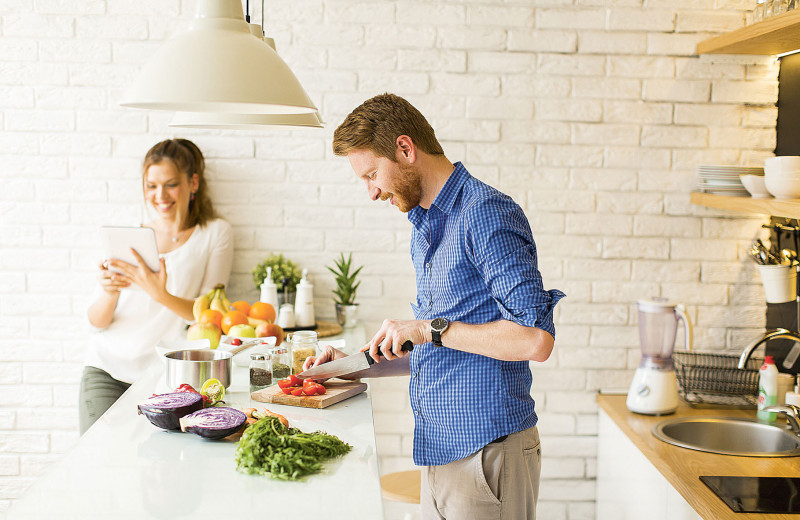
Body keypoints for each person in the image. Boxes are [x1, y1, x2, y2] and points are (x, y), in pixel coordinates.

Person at [305, 93, 564, 519]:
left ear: (405, 149)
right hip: (442, 452)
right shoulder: (425, 226)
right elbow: (444, 347)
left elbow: (535, 340)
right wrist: (352, 364)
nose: (371, 192)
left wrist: (429, 328)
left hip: (487, 452)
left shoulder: (486, 214)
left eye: (372, 174)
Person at [80, 139, 233, 435]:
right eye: (151, 186)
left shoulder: (214, 233)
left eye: (171, 184)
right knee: (94, 465)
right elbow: (95, 322)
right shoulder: (130, 233)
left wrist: (159, 294)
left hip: (163, 375)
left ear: (193, 183)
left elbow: (209, 317)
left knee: (152, 467)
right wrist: (110, 291)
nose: (160, 195)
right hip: (106, 367)